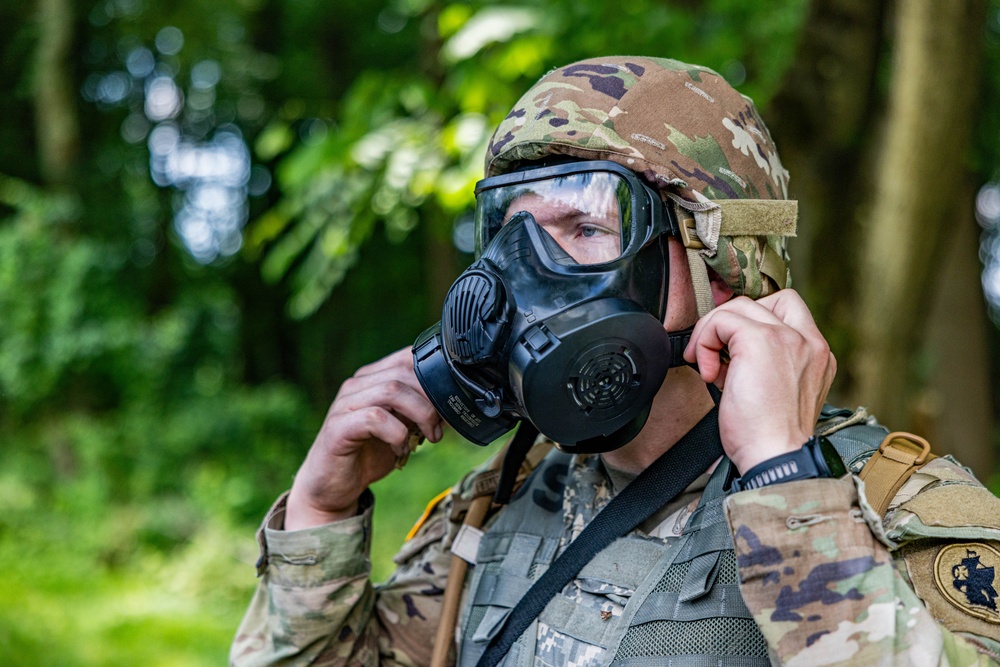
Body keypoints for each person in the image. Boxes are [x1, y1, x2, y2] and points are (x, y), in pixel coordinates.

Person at [231, 56, 1000, 666]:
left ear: (722, 260)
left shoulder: (897, 513)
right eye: (511, 230)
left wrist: (782, 482)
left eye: (585, 225)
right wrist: (320, 516)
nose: (522, 275)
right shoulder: (496, 511)